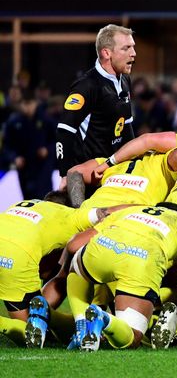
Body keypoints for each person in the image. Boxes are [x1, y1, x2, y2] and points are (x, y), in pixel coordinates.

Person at [64, 203, 177, 351]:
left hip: (105, 247)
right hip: (142, 260)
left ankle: (81, 319)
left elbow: (73, 245)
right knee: (132, 337)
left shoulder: (131, 210)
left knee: (77, 269)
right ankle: (104, 319)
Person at [0, 191, 107, 347]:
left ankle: (49, 317)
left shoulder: (26, 205)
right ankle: (92, 324)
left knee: (39, 321)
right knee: (34, 332)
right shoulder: (68, 219)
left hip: (11, 247)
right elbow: (52, 273)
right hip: (14, 257)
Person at [56, 24, 136, 187]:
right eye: (126, 48)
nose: (133, 54)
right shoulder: (87, 86)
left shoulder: (125, 80)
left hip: (113, 173)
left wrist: (135, 162)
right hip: (88, 177)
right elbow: (64, 131)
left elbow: (126, 128)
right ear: (106, 53)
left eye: (133, 47)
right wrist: (65, 174)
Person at [2, 90, 56, 199]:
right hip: (24, 168)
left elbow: (57, 141)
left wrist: (47, 150)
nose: (27, 107)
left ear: (35, 103)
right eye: (24, 104)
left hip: (43, 167)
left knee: (44, 198)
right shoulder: (14, 122)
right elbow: (7, 146)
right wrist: (15, 158)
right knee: (27, 199)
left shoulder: (46, 120)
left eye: (30, 103)